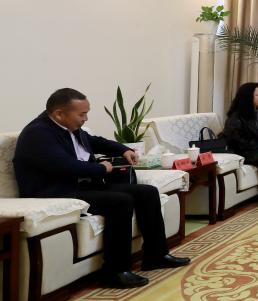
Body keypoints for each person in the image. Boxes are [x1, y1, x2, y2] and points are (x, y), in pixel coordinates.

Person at [13, 88, 190, 289]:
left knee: (147, 192)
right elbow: (65, 166)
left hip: (80, 185)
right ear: (59, 114)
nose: (86, 119)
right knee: (120, 201)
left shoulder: (68, 126)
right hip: (55, 192)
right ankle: (115, 271)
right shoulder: (37, 134)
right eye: (82, 114)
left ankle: (156, 255)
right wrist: (100, 169)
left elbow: (94, 141)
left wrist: (123, 149)